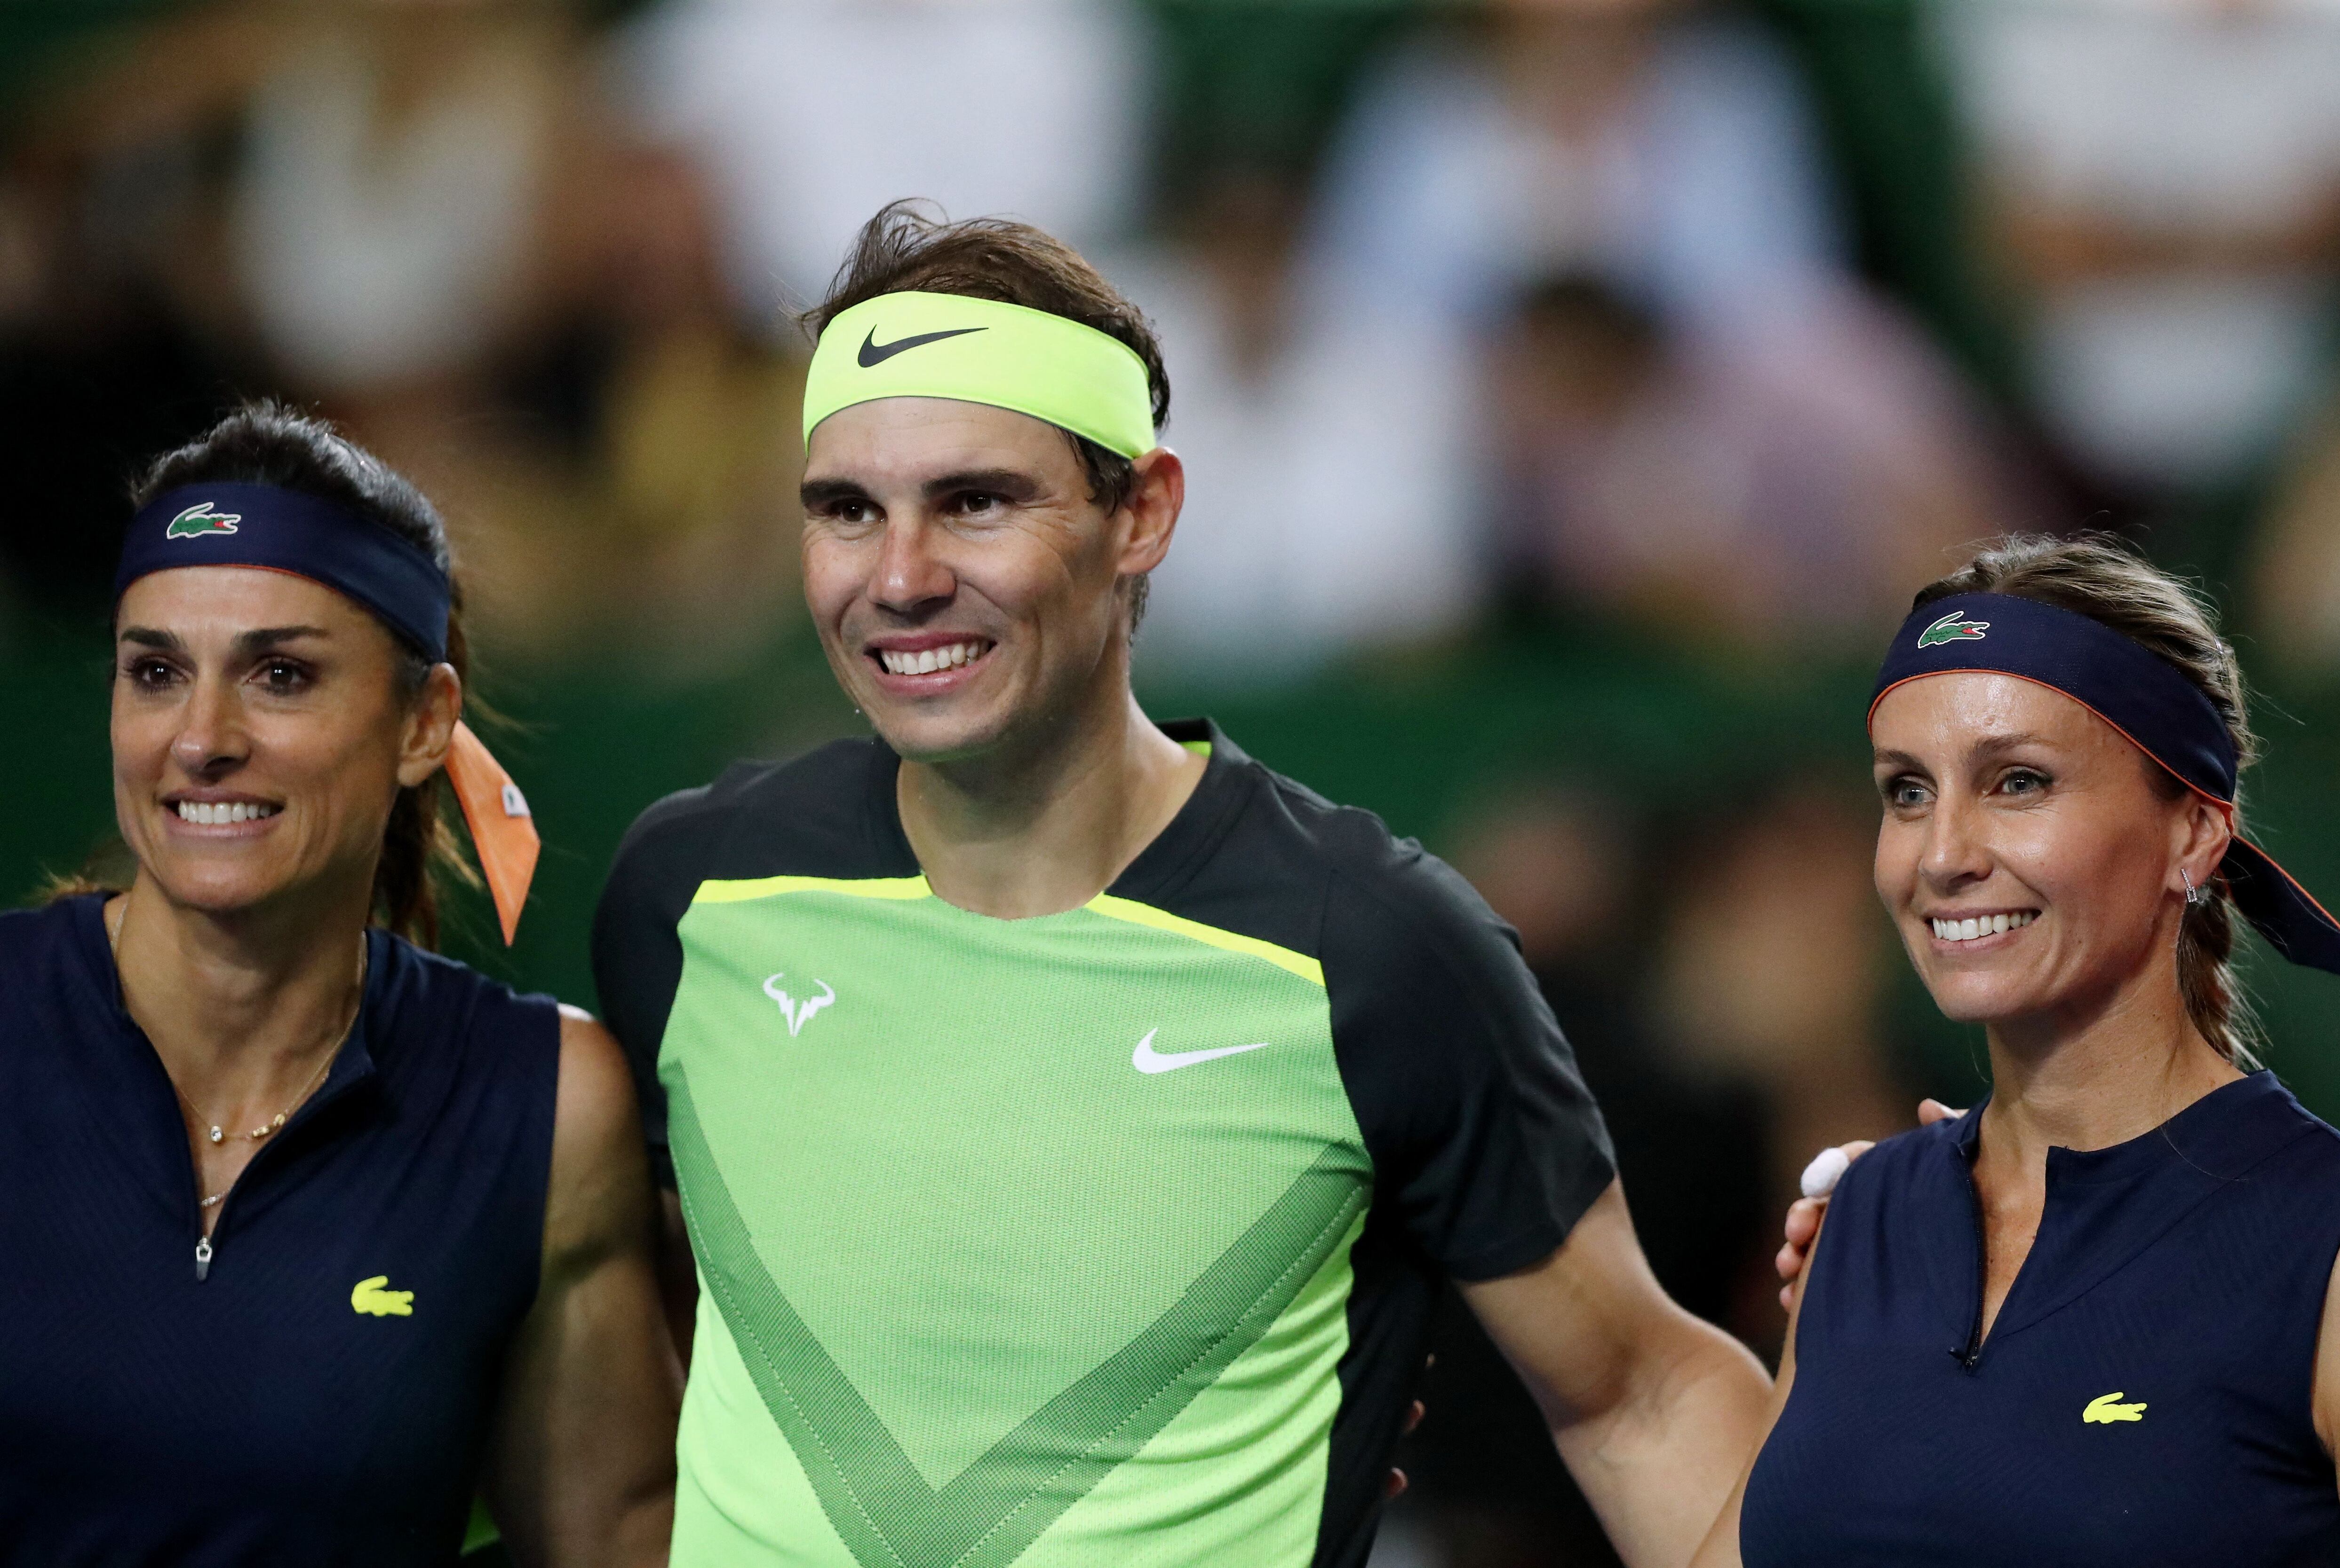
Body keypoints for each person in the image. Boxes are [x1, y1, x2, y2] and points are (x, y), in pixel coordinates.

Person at [591, 202, 1773, 1568]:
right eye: (847, 510)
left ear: (1140, 513)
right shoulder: (687, 891)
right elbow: (667, 1343)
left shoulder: (1377, 949)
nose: (900, 577)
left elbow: (1643, 1394)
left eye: (976, 501)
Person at [0, 405, 679, 1565]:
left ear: (424, 722)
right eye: (156, 671)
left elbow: (615, 1538)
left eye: (279, 673)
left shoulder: (546, 1110)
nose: (201, 737)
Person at [1708, 535, 2340, 1564]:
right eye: (1907, 791)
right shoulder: (1861, 1223)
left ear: (2192, 830)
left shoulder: (2331, 1251)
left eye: (2016, 781)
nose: (1944, 854)